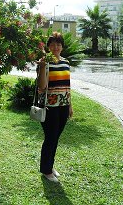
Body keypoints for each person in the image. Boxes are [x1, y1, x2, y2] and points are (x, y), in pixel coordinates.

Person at [37, 32, 73, 183]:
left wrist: (70, 106)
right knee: (50, 138)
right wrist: (43, 65)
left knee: (55, 138)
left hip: (63, 106)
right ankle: (46, 170)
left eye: (58, 44)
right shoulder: (44, 62)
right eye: (52, 44)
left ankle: (49, 166)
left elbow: (67, 86)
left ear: (62, 46)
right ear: (48, 46)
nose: (55, 47)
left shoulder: (66, 62)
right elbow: (41, 86)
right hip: (49, 106)